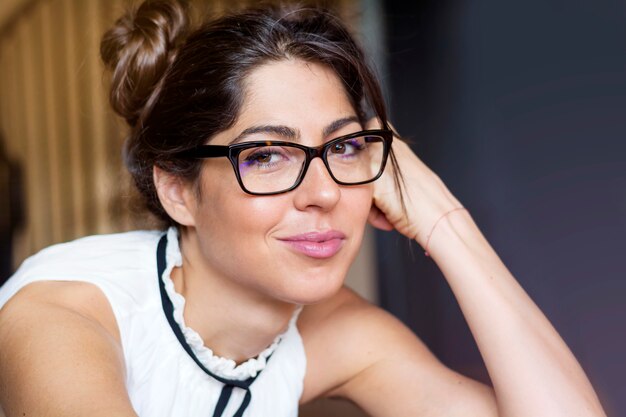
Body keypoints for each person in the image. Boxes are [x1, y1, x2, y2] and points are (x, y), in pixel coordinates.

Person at [0, 1, 607, 417]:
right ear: (178, 190)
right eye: (267, 155)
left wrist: (444, 219)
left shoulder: (339, 331)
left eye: (343, 147)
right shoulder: (62, 314)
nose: (322, 192)